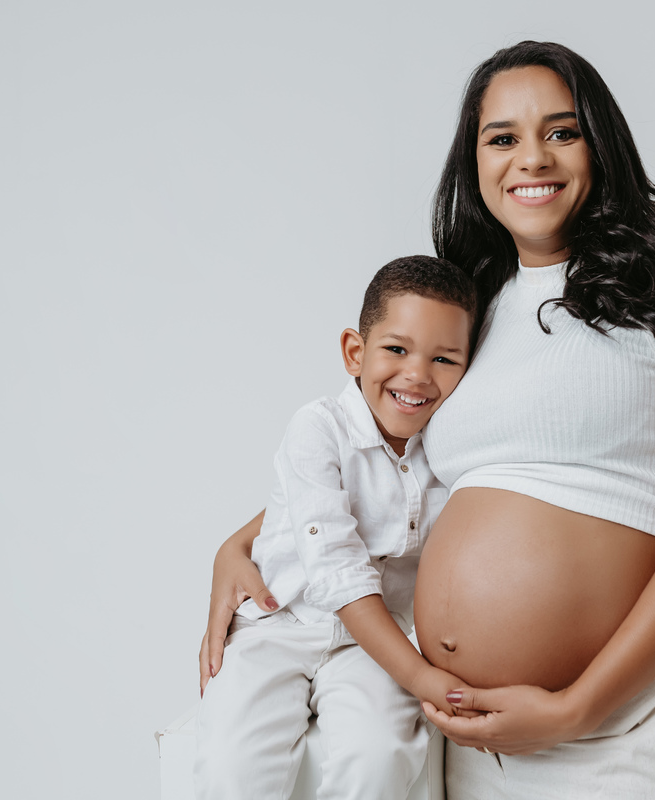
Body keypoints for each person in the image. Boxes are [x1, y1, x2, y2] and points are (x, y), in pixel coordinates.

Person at [201, 41, 655, 798]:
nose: (532, 158)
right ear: (474, 163)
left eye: (562, 132)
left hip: (618, 723)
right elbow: (378, 455)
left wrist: (576, 707)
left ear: (601, 145)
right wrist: (240, 543)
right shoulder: (469, 305)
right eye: (503, 138)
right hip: (461, 735)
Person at [194, 255, 477, 800]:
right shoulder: (318, 428)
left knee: (380, 756)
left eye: (444, 358)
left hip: (374, 642)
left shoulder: (452, 452)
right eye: (397, 349)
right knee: (230, 763)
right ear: (355, 352)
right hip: (278, 624)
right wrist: (421, 677)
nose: (418, 374)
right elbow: (335, 569)